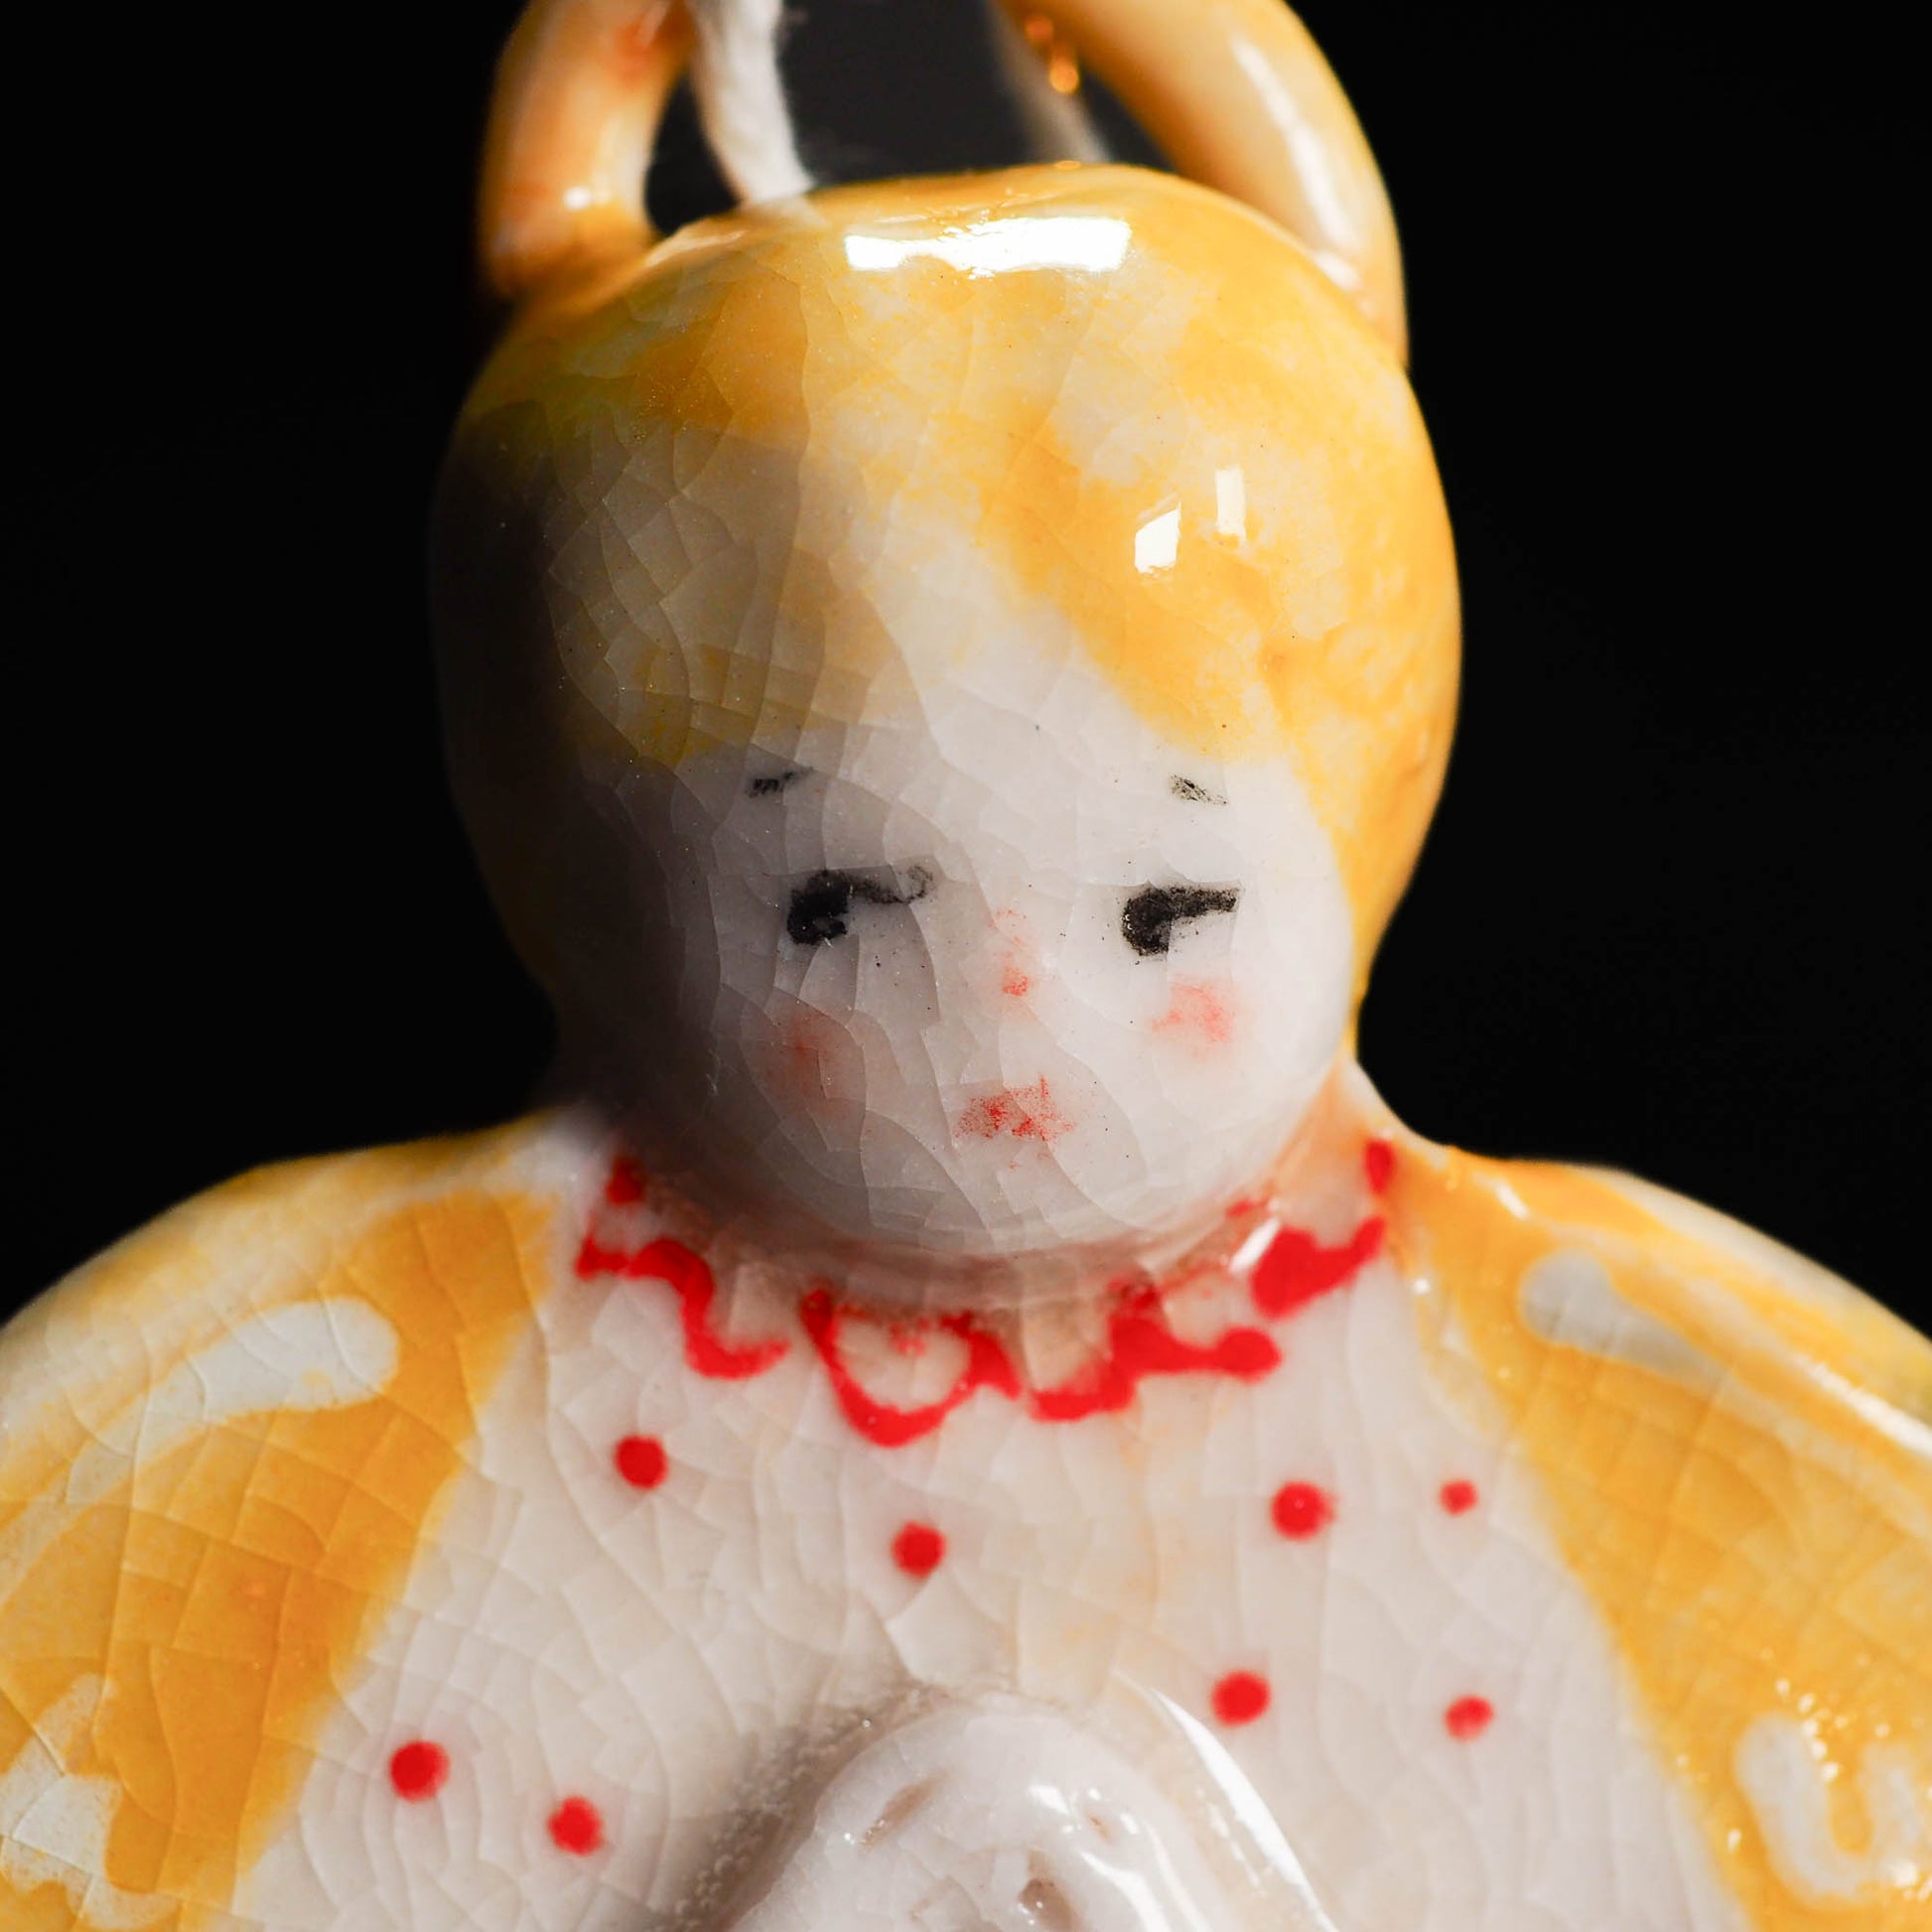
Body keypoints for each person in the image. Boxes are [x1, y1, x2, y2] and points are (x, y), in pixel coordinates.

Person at [4, 3, 1925, 1926]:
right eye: (835, 909)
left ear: (1363, 820)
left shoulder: (1589, 1404)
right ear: (575, 862)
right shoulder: (322, 1423)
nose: (1017, 1025)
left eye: (1167, 915)